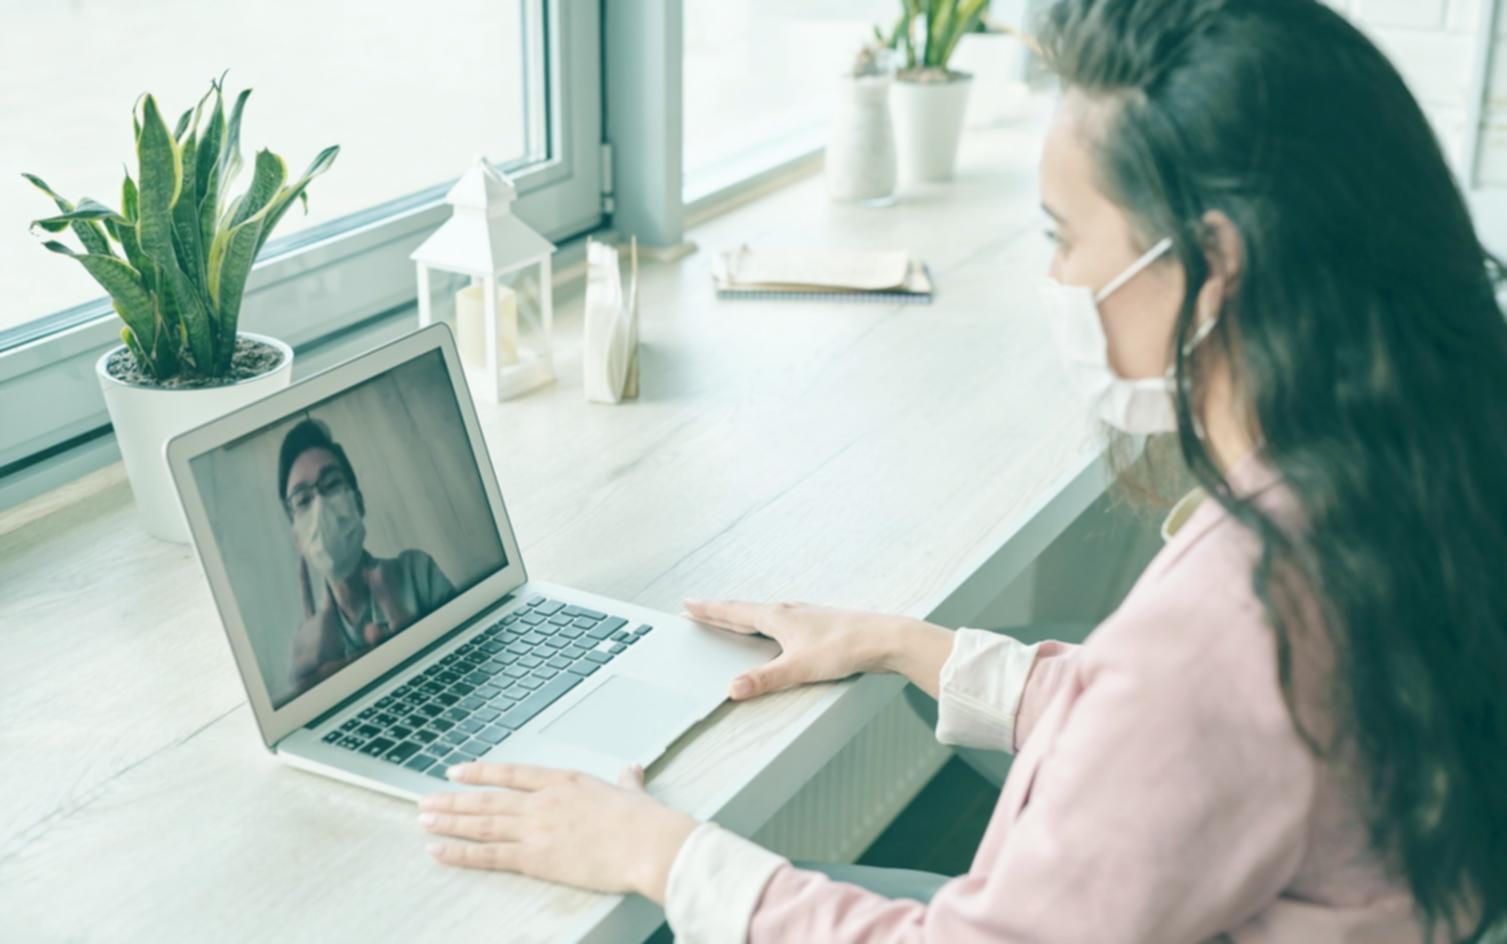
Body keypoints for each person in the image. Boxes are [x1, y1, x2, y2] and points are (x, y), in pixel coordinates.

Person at [411, 0, 1507, 940]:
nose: (1055, 276)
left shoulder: (1240, 616)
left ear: (1210, 266)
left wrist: (664, 854)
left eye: (1063, 235)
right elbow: (1181, 749)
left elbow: (1183, 706)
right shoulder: (1402, 473)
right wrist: (909, 645)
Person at [280, 418, 455, 696]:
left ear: (358, 503)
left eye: (332, 484)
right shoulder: (309, 649)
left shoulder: (418, 573)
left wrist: (418, 649)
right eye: (303, 500)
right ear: (297, 538)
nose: (321, 506)